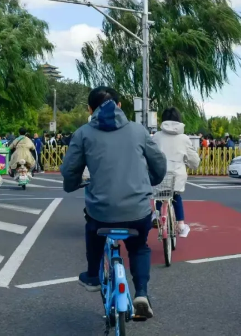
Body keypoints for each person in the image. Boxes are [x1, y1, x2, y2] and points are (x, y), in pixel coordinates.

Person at [60, 86, 167, 320]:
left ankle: (92, 276)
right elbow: (159, 163)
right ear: (119, 106)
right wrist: (151, 181)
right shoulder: (138, 131)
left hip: (102, 212)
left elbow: (70, 170)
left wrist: (71, 185)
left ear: (90, 109)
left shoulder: (83, 133)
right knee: (139, 247)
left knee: (93, 227)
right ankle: (141, 293)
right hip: (138, 211)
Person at [151, 107, 201, 237]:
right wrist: (193, 165)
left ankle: (155, 215)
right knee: (176, 196)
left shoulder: (156, 137)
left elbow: (149, 155)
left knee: (158, 195)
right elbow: (194, 160)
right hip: (176, 178)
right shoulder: (184, 138)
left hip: (160, 176)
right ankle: (181, 225)